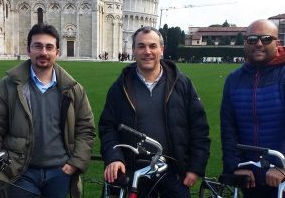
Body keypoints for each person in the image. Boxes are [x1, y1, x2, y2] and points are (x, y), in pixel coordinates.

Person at [0, 23, 95, 198]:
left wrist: (75, 163)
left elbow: (86, 129)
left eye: (49, 47)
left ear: (57, 52)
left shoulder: (73, 89)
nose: (43, 52)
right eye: (38, 46)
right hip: (20, 170)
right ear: (28, 50)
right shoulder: (8, 86)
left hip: (60, 173)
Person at [99, 26, 210, 198]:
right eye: (141, 46)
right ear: (133, 51)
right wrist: (114, 157)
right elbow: (108, 127)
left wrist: (195, 168)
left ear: (161, 50)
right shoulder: (120, 87)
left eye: (152, 46)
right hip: (134, 171)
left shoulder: (182, 84)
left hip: (174, 172)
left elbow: (199, 128)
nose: (147, 51)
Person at [221, 19, 285, 198]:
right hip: (249, 178)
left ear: (277, 43)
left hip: (281, 177)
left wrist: (282, 167)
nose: (258, 44)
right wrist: (235, 167)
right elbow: (228, 129)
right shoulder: (233, 80)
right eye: (252, 39)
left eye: (266, 39)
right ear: (245, 43)